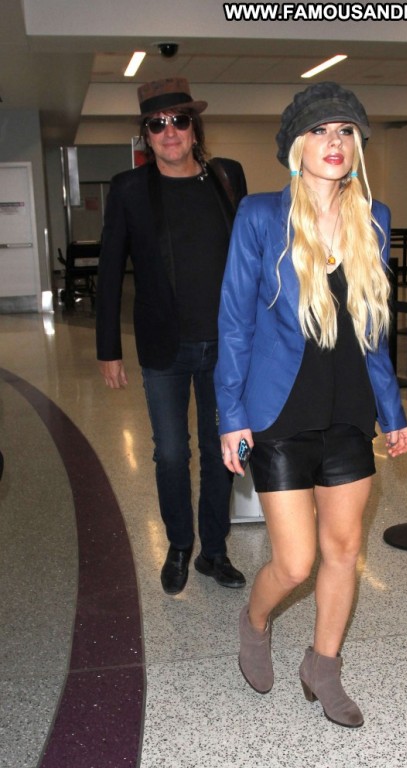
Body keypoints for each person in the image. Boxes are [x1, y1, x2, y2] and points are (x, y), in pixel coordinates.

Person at [214, 82, 407, 726]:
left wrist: (392, 411)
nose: (335, 142)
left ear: (357, 146)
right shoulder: (259, 216)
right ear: (296, 146)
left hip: (348, 410)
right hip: (279, 412)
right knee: (295, 561)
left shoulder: (373, 219)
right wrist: (230, 416)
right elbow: (235, 322)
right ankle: (255, 621)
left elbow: (373, 327)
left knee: (344, 549)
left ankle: (323, 665)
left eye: (346, 131)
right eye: (321, 131)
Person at [96, 77, 247, 596]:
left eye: (179, 120)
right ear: (146, 135)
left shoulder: (227, 177)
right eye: (157, 124)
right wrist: (108, 348)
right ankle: (180, 544)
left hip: (225, 346)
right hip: (165, 346)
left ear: (194, 127)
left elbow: (248, 255)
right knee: (169, 453)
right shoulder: (129, 189)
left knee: (223, 449)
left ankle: (214, 550)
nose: (170, 132)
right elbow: (109, 271)